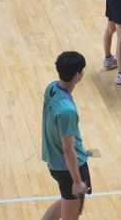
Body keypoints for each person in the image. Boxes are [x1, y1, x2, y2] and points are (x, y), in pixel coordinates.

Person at [41, 51, 91, 220]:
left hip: (54, 161)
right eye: (82, 70)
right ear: (77, 75)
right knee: (72, 214)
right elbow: (68, 149)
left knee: (67, 201)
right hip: (68, 167)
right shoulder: (67, 111)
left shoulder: (52, 88)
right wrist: (77, 181)